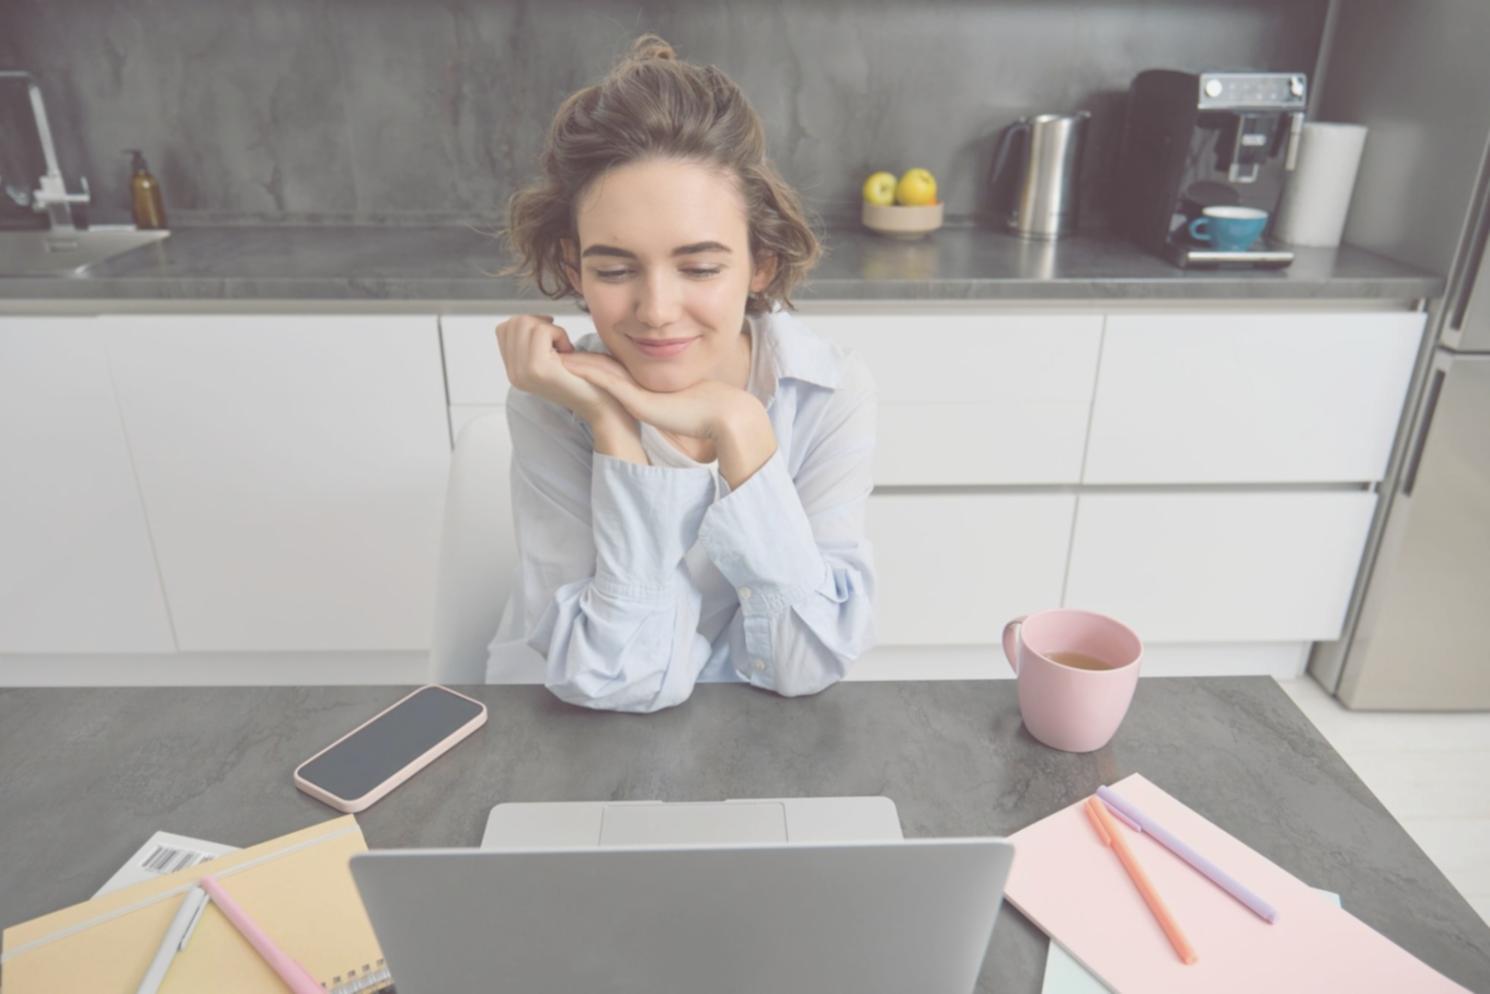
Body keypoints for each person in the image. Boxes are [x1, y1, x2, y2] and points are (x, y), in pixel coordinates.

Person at [486, 33, 876, 713]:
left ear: (761, 264)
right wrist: (613, 426)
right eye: (613, 269)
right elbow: (616, 678)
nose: (657, 312)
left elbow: (806, 662)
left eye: (699, 268)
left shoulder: (827, 394)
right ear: (575, 269)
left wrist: (742, 427)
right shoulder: (556, 401)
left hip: (752, 729)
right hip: (576, 730)